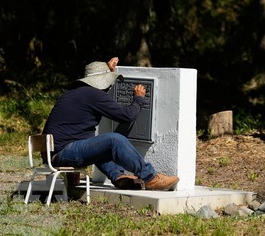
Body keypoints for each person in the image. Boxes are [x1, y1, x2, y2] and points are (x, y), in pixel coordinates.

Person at [41, 56, 179, 192]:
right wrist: (138, 99)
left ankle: (118, 176)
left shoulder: (72, 94)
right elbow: (127, 116)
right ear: (100, 82)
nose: (108, 87)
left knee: (100, 146)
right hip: (64, 154)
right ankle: (150, 178)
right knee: (114, 140)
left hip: (53, 153)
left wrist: (107, 70)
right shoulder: (93, 95)